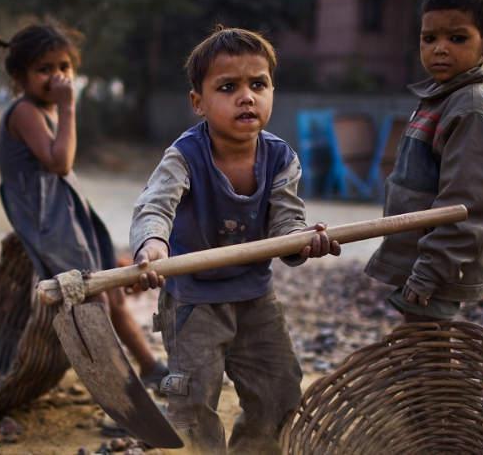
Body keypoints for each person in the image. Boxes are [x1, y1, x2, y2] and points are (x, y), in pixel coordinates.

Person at [130, 26, 340, 454]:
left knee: (278, 392)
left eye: (258, 84)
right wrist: (153, 244)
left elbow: (287, 221)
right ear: (198, 103)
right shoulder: (185, 156)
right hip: (193, 301)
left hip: (255, 299)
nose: (247, 97)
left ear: (272, 90)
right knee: (192, 401)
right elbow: (155, 205)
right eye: (228, 87)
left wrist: (302, 240)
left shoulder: (281, 158)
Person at [0, 23, 168, 392]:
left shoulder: (45, 109)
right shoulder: (25, 111)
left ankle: (148, 365)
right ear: (20, 78)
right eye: (45, 69)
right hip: (47, 222)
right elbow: (60, 163)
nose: (57, 77)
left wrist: (64, 110)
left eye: (64, 68)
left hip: (67, 215)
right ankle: (117, 382)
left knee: (111, 291)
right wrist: (69, 108)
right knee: (91, 298)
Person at [365, 0, 483, 322]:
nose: (440, 48)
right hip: (421, 260)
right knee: (419, 352)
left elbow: (466, 206)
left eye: (457, 38)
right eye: (430, 38)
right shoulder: (439, 98)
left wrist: (430, 270)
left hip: (439, 268)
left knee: (428, 355)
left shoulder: (470, 109)